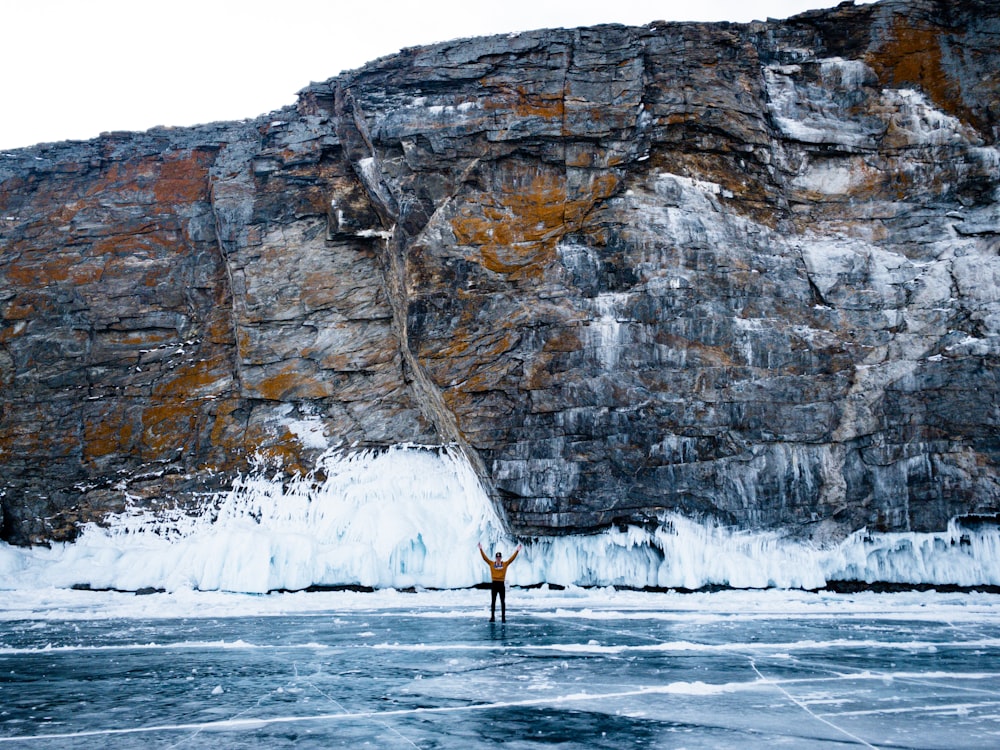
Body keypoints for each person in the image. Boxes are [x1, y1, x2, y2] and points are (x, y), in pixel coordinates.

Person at [478, 541, 522, 622]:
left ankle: (503, 617)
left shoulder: (504, 564)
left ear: (501, 558)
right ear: (495, 558)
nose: (498, 559)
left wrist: (517, 550)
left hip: (501, 584)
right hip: (494, 584)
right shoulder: (491, 564)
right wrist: (481, 549)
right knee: (493, 602)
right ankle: (492, 617)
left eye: (499, 557)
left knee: (502, 602)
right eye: (497, 557)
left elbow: (511, 559)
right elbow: (485, 558)